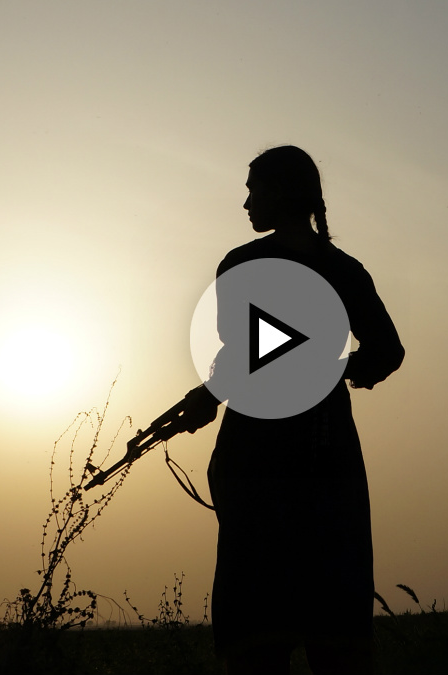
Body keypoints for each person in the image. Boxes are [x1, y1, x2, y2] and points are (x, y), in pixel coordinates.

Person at [171, 146, 404, 675]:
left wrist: (208, 397)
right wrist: (331, 366)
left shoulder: (243, 263)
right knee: (333, 619)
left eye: (255, 188)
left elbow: (242, 357)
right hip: (327, 451)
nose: (247, 201)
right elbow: (386, 353)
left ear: (281, 193)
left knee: (256, 625)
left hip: (259, 453)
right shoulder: (342, 267)